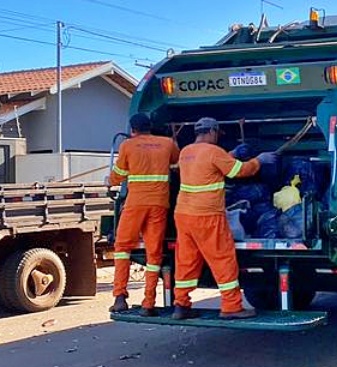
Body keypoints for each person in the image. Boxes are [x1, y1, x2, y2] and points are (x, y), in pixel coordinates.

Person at [172, 117, 277, 321]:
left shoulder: (186, 152)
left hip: (183, 215)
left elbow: (210, 162)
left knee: (186, 260)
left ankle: (181, 305)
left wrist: (233, 154)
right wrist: (260, 160)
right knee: (222, 260)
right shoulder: (213, 152)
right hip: (208, 216)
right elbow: (240, 171)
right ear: (212, 132)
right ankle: (231, 307)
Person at [108, 113, 180, 316]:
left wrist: (109, 181)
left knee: (123, 248)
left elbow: (119, 175)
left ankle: (120, 297)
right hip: (159, 204)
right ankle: (148, 303)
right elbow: (177, 165)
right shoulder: (167, 143)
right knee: (154, 253)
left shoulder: (127, 146)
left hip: (135, 204)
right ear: (150, 127)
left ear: (133, 129)